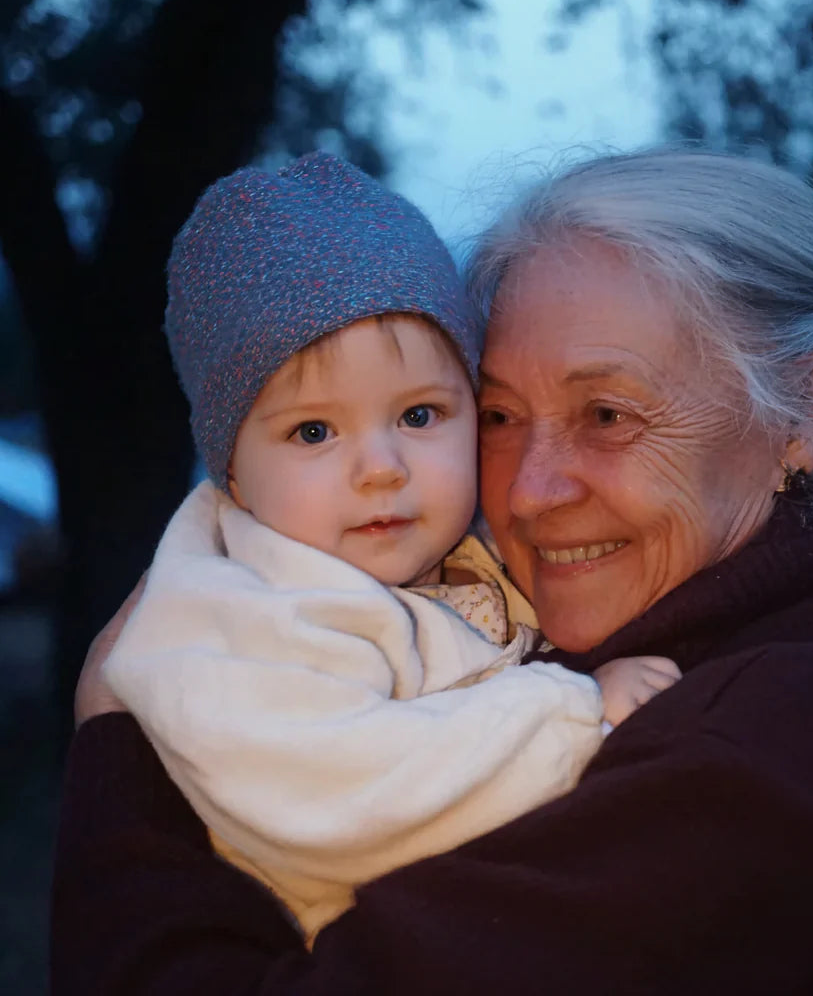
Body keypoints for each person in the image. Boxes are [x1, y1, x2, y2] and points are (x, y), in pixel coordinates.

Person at [53, 149, 813, 995]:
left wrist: (118, 759)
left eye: (609, 416)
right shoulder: (756, 653)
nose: (532, 492)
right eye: (499, 417)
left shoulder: (756, 772)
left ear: (802, 412)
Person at [89, 152, 680, 943]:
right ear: (233, 470)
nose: (380, 468)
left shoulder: (472, 560)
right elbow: (345, 794)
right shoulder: (235, 619)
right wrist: (577, 710)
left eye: (419, 416)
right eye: (313, 431)